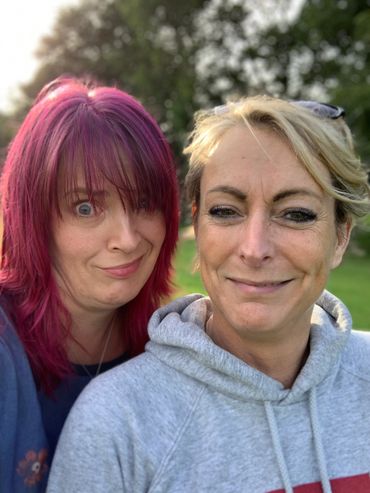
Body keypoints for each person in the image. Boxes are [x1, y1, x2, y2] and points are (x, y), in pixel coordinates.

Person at [47, 96, 370, 493]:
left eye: (296, 214)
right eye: (225, 211)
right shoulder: (118, 420)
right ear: (197, 227)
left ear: (340, 236)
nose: (254, 248)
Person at [0, 76, 179, 492]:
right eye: (85, 207)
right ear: (34, 217)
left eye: (144, 202)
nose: (128, 238)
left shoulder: (173, 348)